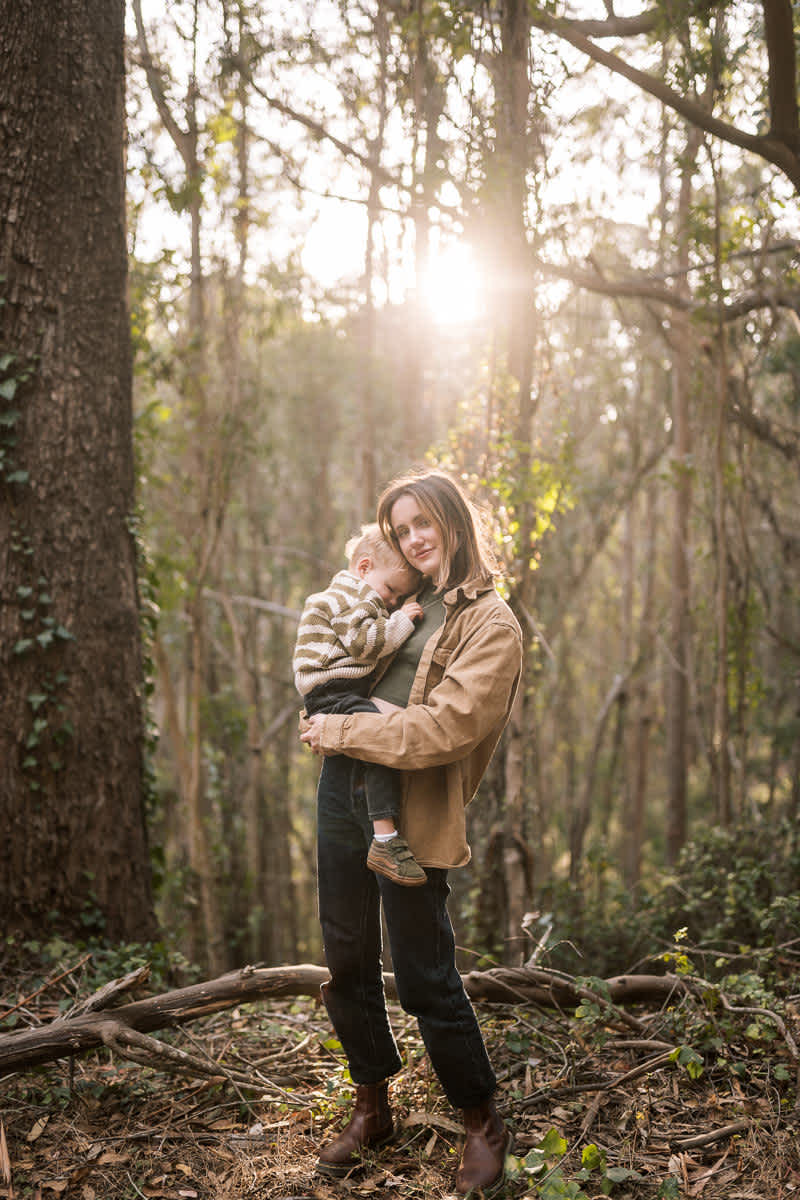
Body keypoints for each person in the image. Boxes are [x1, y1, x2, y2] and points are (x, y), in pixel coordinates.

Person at [300, 468, 524, 1196]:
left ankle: (482, 1122)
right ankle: (372, 1107)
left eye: (423, 522)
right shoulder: (398, 599)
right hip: (343, 788)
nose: (413, 539)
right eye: (401, 530)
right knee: (347, 957)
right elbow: (337, 658)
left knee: (425, 970)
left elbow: (446, 729)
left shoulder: (490, 624)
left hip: (413, 808)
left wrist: (339, 727)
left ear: (454, 520)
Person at [293, 524, 427, 885]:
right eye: (391, 590)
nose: (392, 601)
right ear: (364, 568)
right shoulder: (350, 596)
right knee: (376, 737)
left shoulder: (351, 594)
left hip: (335, 692)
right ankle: (385, 838)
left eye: (399, 597)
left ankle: (382, 833)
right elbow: (364, 644)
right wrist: (402, 621)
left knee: (369, 743)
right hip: (333, 691)